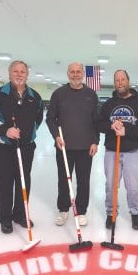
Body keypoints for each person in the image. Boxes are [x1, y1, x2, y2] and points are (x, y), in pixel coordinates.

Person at [46, 62, 99, 227]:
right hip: (64, 148)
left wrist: (95, 141)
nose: (75, 74)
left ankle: (81, 211)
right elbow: (50, 118)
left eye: (78, 72)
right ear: (68, 74)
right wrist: (56, 136)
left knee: (83, 181)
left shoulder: (91, 94)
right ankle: (63, 209)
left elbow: (96, 121)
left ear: (82, 73)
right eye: (72, 72)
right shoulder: (58, 94)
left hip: (85, 148)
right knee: (63, 180)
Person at [0, 60, 43, 234]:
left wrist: (29, 135)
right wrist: (4, 130)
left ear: (27, 74)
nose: (19, 74)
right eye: (15, 71)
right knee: (5, 183)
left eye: (22, 71)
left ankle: (20, 215)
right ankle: (6, 218)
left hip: (26, 148)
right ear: (9, 73)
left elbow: (38, 119)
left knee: (24, 182)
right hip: (3, 148)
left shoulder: (34, 96)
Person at [99, 69, 138, 230]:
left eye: (122, 79)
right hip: (112, 151)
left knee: (133, 186)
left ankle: (136, 214)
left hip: (132, 152)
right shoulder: (108, 104)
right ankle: (111, 213)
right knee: (110, 185)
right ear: (114, 83)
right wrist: (110, 125)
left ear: (128, 81)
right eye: (117, 80)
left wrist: (127, 130)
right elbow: (99, 124)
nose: (120, 83)